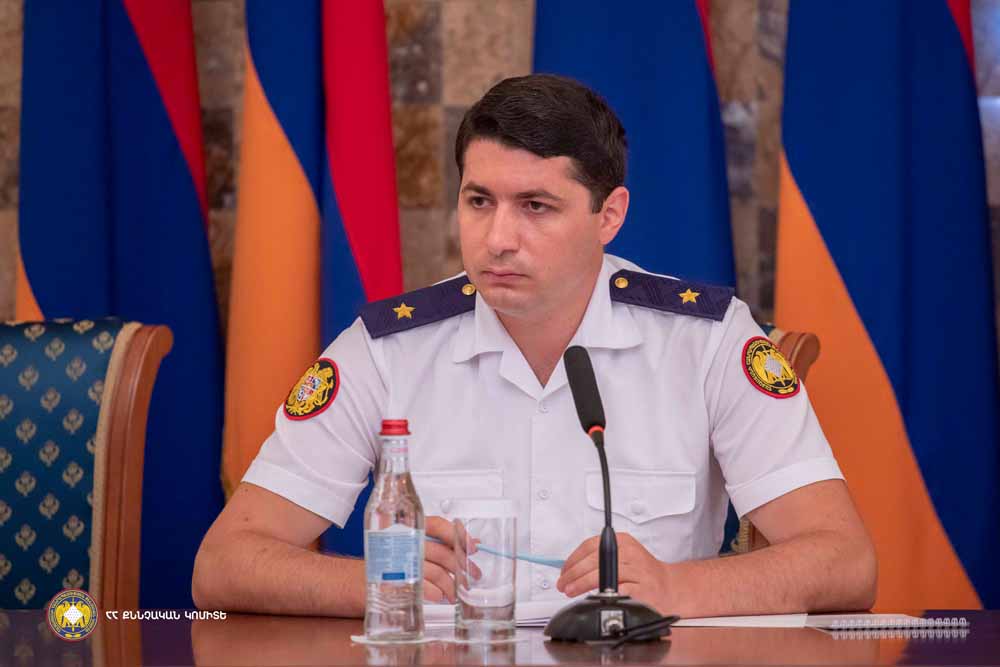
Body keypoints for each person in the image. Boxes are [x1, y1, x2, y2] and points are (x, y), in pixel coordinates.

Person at [192, 74, 877, 618]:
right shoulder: (387, 348)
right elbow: (223, 564)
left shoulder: (706, 340)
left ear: (609, 215)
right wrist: (374, 579)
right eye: (479, 201)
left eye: (535, 206)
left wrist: (678, 587)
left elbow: (846, 561)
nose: (497, 239)